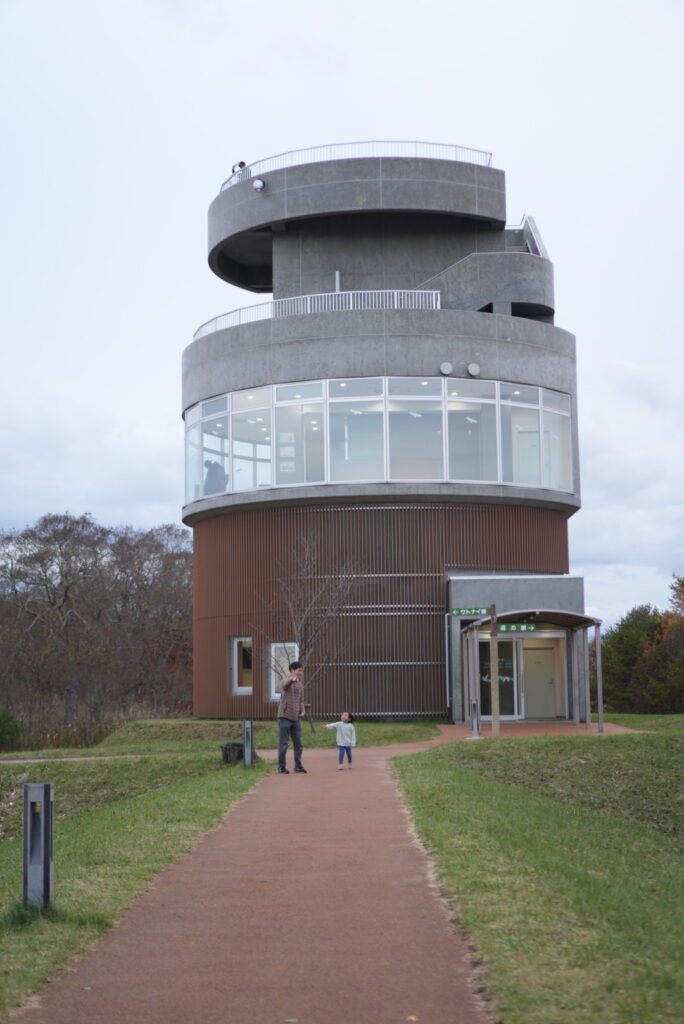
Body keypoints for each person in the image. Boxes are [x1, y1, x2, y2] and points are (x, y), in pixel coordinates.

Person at [277, 661, 306, 774]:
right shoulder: (286, 680)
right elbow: (283, 685)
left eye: (301, 670)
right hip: (284, 716)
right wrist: (291, 679)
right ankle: (281, 767)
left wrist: (302, 711)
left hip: (296, 718)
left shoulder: (300, 684)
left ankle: (298, 766)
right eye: (299, 670)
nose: (301, 672)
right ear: (293, 670)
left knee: (298, 743)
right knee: (284, 743)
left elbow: (301, 700)